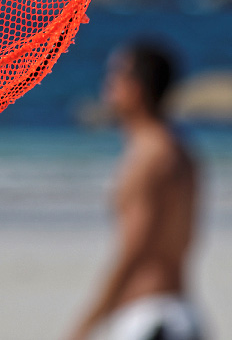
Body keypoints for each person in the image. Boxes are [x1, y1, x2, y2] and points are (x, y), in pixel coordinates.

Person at [67, 41, 203, 340]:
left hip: (152, 318)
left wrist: (84, 325)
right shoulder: (180, 150)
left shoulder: (150, 157)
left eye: (114, 76)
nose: (107, 85)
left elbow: (135, 252)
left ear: (136, 87)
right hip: (179, 311)